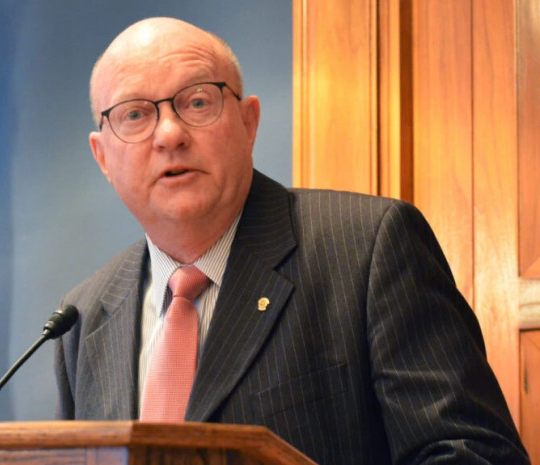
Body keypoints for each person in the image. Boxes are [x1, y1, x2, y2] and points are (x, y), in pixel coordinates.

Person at [53, 17, 529, 465]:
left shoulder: (368, 249)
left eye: (197, 102)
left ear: (248, 122)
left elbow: (472, 453)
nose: (170, 134)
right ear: (103, 157)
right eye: (135, 114)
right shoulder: (82, 318)